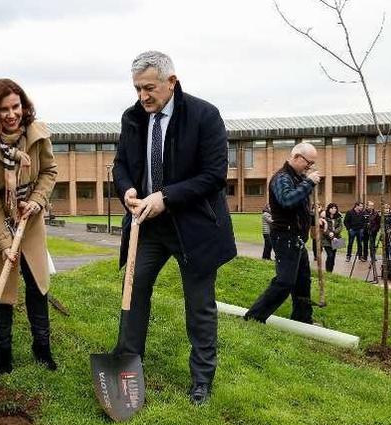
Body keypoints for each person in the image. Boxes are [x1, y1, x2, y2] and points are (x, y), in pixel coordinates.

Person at [112, 51, 236, 406]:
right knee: (133, 295)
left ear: (171, 81)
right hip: (147, 226)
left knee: (199, 306)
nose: (143, 96)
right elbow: (120, 165)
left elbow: (214, 175)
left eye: (149, 87)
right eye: (137, 88)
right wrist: (128, 191)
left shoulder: (204, 116)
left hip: (193, 227)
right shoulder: (133, 118)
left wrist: (166, 197)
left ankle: (201, 381)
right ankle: (127, 364)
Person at [0, 78, 58, 374]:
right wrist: (5, 243)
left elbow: (49, 171)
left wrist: (37, 199)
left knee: (37, 284)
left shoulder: (37, 135)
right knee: (2, 285)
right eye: (4, 109)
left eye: (16, 106)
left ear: (23, 105)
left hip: (28, 221)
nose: (11, 114)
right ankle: (4, 352)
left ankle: (41, 347)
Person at [244, 143, 320, 324]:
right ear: (296, 157)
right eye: (308, 163)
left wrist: (315, 220)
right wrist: (309, 183)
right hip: (285, 238)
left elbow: (299, 211)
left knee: (303, 281)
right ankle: (253, 317)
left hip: (297, 239)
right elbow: (286, 201)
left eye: (312, 165)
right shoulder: (281, 178)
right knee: (285, 282)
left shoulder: (297, 178)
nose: (309, 168)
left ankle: (303, 318)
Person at [320, 203, 343, 273]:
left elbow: (340, 227)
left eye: (335, 208)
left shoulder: (338, 217)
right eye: (332, 208)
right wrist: (330, 234)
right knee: (330, 255)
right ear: (329, 209)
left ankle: (331, 271)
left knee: (333, 256)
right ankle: (328, 271)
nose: (334, 210)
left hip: (336, 238)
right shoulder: (324, 217)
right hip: (326, 239)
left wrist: (334, 232)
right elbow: (323, 229)